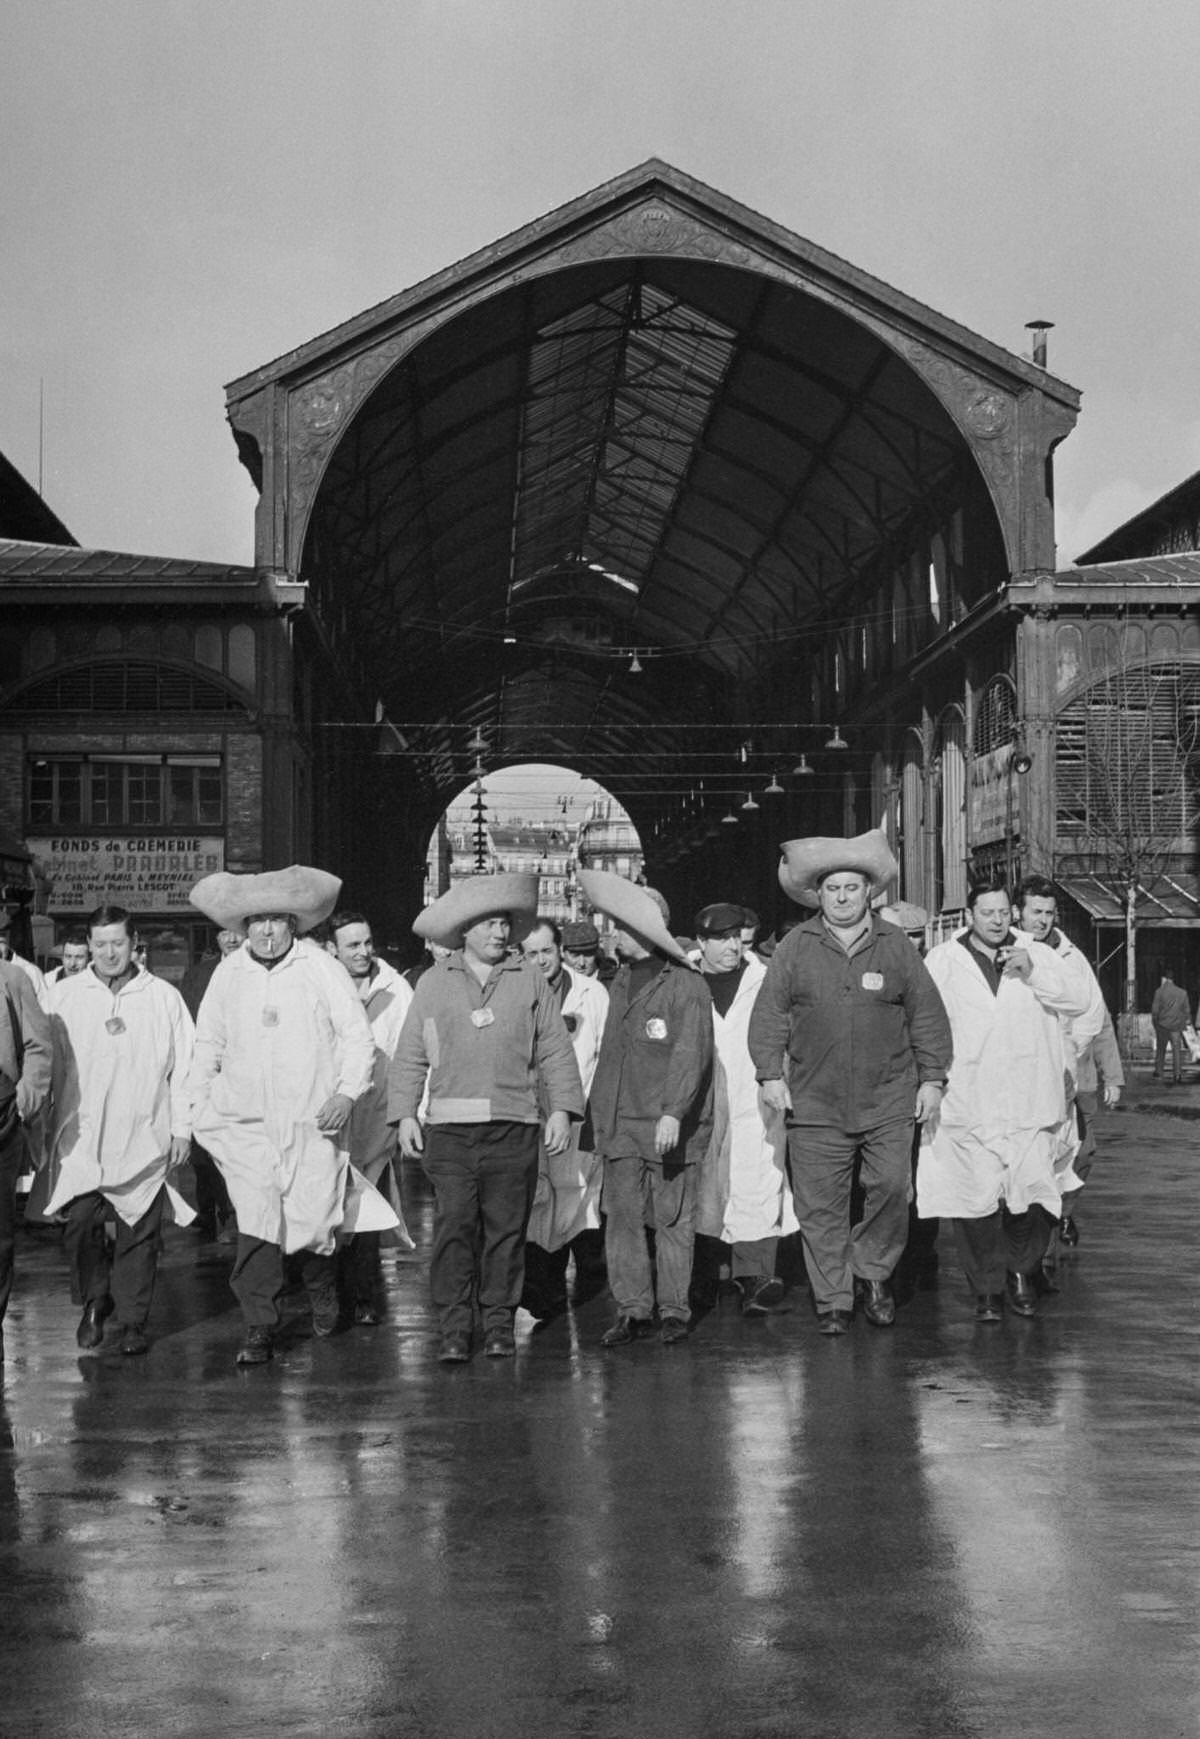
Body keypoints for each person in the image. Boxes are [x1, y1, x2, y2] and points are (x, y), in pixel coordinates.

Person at [747, 829, 952, 1335]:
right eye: (833, 889)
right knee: (820, 1206)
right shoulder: (796, 947)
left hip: (888, 1098)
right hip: (814, 1103)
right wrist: (770, 1073)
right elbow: (769, 1015)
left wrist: (933, 1080)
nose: (842, 897)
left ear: (869, 893)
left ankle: (873, 1273)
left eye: (852, 888)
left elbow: (927, 1016)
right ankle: (834, 1298)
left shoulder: (896, 945)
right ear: (819, 895)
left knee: (890, 1187)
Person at [188, 866, 392, 1365]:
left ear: (293, 923)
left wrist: (345, 1094)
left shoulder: (321, 968)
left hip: (312, 1120)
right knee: (257, 1222)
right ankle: (260, 1324)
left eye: (277, 920)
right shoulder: (228, 974)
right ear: (243, 927)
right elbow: (207, 1044)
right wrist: (197, 1107)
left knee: (313, 1216)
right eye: (257, 921)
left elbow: (355, 1036)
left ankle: (322, 1287)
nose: (267, 931)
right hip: (246, 1122)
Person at [388, 873, 583, 1363]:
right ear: (465, 929)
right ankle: (455, 1326)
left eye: (504, 923)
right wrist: (405, 1113)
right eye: (489, 924)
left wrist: (561, 1109)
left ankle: (497, 1322)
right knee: (454, 1227)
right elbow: (410, 1054)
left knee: (506, 1231)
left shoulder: (530, 979)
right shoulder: (434, 983)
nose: (500, 932)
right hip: (450, 1133)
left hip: (514, 1126)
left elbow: (556, 1050)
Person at [917, 876, 1094, 1322]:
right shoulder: (943, 959)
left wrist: (1032, 972)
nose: (996, 921)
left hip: (1031, 1097)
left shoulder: (1039, 953)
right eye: (986, 913)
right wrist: (929, 1079)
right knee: (974, 1202)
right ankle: (987, 1292)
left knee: (1035, 1195)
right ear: (970, 915)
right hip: (969, 1099)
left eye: (1002, 913)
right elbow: (923, 1019)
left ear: (1011, 913)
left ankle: (1021, 1271)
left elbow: (1080, 1001)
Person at [44, 905, 195, 1355]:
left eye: (118, 943)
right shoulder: (66, 996)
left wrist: (182, 1128)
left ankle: (133, 1321)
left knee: (140, 1231)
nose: (110, 953)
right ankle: (95, 1300)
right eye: (101, 943)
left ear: (134, 945)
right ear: (89, 945)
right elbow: (48, 1064)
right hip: (82, 1135)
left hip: (144, 1131)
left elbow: (185, 1067)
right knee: (80, 1226)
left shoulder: (163, 998)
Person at [583, 871, 714, 1348]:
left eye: (621, 925)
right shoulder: (618, 980)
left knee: (673, 1217)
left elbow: (690, 1053)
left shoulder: (685, 985)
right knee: (621, 1219)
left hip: (667, 1125)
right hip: (620, 1125)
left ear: (646, 930)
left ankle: (674, 1310)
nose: (612, 933)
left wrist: (673, 1113)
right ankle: (633, 1309)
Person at [693, 902, 796, 1315]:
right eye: (720, 939)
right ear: (701, 942)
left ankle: (755, 1276)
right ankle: (709, 1276)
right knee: (704, 1187)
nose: (731, 946)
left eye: (736, 937)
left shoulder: (766, 980)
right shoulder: (683, 980)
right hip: (701, 1102)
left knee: (758, 1182)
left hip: (755, 1102)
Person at [326, 909, 415, 1325]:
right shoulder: (318, 986)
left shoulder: (395, 989)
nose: (364, 952)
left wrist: (408, 1111)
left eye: (367, 942)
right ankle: (327, 1291)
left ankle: (363, 1295)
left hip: (377, 1117)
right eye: (353, 945)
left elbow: (412, 1053)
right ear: (332, 949)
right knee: (325, 1206)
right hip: (328, 1117)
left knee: (365, 1207)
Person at [519, 916, 609, 1318]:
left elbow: (606, 1058)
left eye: (546, 951)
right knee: (539, 1205)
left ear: (560, 951)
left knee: (580, 1203)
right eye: (531, 953)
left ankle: (591, 1289)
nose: (540, 961)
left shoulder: (593, 994)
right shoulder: (514, 991)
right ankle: (546, 1291)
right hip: (530, 1116)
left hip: (581, 1116)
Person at [1013, 876, 1107, 1259]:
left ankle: (1042, 1258)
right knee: (1017, 1170)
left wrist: (1068, 1057)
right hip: (1015, 1075)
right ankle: (1018, 1259)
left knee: (1063, 1159)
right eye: (1036, 912)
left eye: (1049, 913)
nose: (1043, 920)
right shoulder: (1007, 949)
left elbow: (1092, 1011)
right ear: (1019, 911)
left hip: (1060, 1074)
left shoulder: (1071, 955)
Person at [0, 956, 53, 1360]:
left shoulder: (12, 979)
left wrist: (25, 1098)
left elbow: (38, 1045)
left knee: (0, 1236)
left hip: (2, 1114)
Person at [177, 927, 243, 1240]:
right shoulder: (198, 975)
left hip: (241, 1076)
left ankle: (232, 1215)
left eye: (236, 932)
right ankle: (206, 1211)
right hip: (204, 1073)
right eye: (223, 932)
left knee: (234, 1150)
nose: (230, 938)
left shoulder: (254, 973)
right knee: (202, 1150)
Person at [1150, 969, 1190, 1084]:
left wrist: (1156, 1024)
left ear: (1164, 979)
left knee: (1161, 1049)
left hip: (1162, 1025)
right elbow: (1186, 1010)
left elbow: (1155, 1011)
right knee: (1176, 1051)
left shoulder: (1159, 991)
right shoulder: (1183, 993)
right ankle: (1177, 1075)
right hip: (1176, 1026)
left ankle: (1158, 1072)